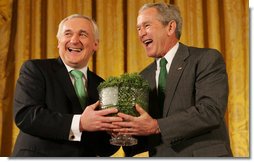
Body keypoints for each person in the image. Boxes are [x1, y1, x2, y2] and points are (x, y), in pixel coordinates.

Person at [114, 3, 233, 157]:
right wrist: (126, 132)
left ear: (170, 27)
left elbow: (210, 111)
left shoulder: (205, 59)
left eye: (147, 26)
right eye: (138, 28)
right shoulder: (142, 77)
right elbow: (147, 132)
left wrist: (157, 126)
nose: (141, 33)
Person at [12, 14, 122, 157]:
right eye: (68, 34)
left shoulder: (103, 86)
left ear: (95, 44)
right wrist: (80, 123)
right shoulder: (35, 69)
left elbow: (103, 149)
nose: (74, 40)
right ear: (59, 42)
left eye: (82, 34)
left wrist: (114, 134)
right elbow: (26, 116)